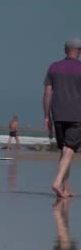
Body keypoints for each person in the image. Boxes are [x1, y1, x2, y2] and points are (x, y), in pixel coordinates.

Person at [44, 38, 81, 198]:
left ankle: (66, 188)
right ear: (79, 51)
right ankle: (57, 182)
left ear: (65, 50)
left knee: (65, 149)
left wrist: (47, 116)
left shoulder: (54, 67)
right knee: (69, 149)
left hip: (57, 114)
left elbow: (47, 93)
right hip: (77, 115)